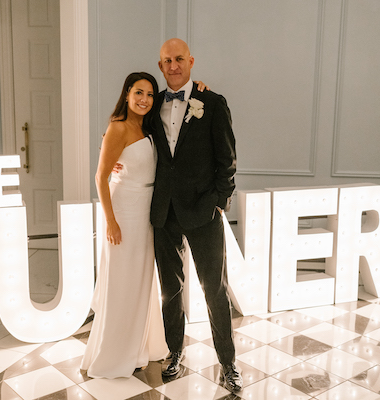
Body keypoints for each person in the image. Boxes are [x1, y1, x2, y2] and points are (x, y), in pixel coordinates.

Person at [151, 38, 242, 392]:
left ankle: (228, 363)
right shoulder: (151, 105)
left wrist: (218, 201)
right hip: (163, 213)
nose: (173, 66)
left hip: (204, 211)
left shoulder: (212, 103)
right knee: (170, 289)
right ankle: (175, 352)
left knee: (214, 289)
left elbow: (227, 161)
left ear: (190, 61)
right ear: (160, 67)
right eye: (166, 61)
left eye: (178, 59)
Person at [81, 72, 169, 378]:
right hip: (124, 211)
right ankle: (116, 353)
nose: (144, 99)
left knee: (141, 280)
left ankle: (139, 346)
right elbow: (100, 177)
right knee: (123, 281)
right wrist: (111, 222)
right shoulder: (117, 127)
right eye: (138, 93)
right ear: (127, 94)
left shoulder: (148, 127)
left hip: (145, 212)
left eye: (150, 94)